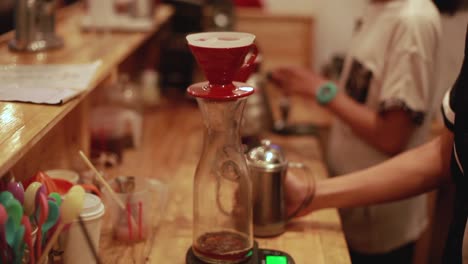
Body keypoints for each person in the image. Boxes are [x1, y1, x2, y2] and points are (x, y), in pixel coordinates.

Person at [270, 0, 462, 263]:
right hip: (350, 207)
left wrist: (321, 91)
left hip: (380, 228)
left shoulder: (412, 21)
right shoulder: (378, 8)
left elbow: (391, 136)